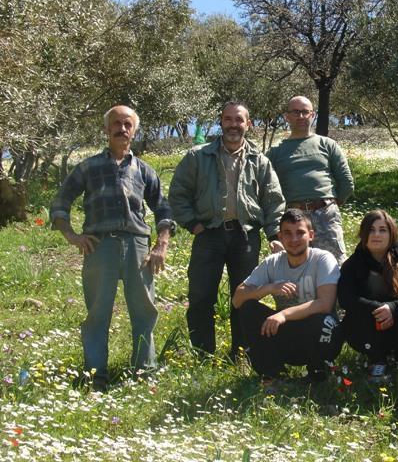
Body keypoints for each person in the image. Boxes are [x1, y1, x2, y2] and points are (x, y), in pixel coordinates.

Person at [50, 105, 175, 391]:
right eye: (116, 123)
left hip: (137, 247)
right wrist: (71, 236)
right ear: (107, 130)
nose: (122, 128)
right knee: (97, 312)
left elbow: (163, 208)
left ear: (135, 130)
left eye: (127, 124)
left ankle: (144, 372)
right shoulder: (88, 167)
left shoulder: (144, 169)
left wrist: (161, 244)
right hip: (99, 246)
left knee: (144, 310)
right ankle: (95, 375)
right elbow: (61, 201)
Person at [169, 102, 286, 359]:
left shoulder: (259, 160)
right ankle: (202, 353)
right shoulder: (197, 157)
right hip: (208, 235)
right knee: (201, 295)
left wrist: (273, 235)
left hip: (246, 236)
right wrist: (193, 224)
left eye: (239, 120)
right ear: (221, 122)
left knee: (245, 296)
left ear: (248, 124)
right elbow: (178, 194)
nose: (233, 124)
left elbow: (274, 200)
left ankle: (241, 354)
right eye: (228, 119)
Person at [232, 209, 342, 383]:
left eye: (300, 233)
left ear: (311, 235)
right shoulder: (273, 262)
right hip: (287, 336)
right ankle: (272, 374)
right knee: (248, 308)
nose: (294, 239)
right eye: (288, 234)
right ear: (280, 237)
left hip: (319, 335)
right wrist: (269, 288)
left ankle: (318, 372)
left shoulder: (323, 259)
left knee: (323, 319)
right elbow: (237, 300)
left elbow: (325, 304)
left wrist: (283, 314)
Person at [338, 210, 398, 383]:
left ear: (391, 233)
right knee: (353, 315)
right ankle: (376, 359)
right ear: (363, 233)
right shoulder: (354, 263)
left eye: (382, 230)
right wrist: (377, 309)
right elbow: (345, 298)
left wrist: (393, 308)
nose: (376, 234)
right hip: (370, 324)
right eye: (371, 230)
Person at [267, 96, 354, 264]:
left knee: (334, 267)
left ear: (312, 115)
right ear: (287, 116)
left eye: (305, 112)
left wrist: (331, 204)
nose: (301, 116)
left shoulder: (328, 145)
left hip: (326, 216)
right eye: (296, 112)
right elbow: (266, 189)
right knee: (296, 268)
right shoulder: (276, 152)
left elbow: (346, 183)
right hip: (293, 219)